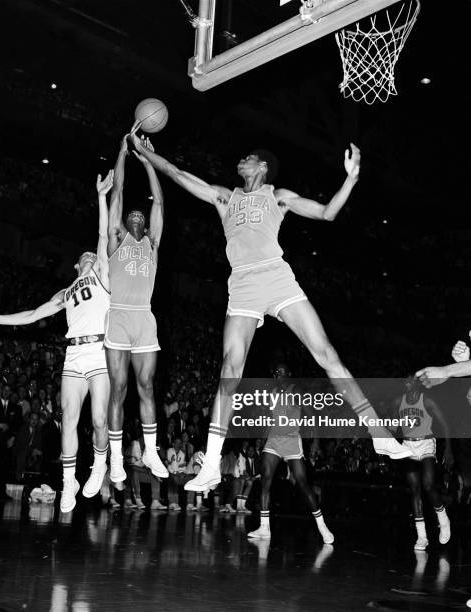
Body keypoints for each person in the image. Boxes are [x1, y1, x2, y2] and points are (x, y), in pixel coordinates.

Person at [130, 129, 411, 492]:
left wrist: (351, 178)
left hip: (277, 278)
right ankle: (212, 465)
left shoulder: (277, 197)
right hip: (243, 285)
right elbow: (176, 174)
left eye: (246, 157)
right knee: (230, 369)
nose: (240, 160)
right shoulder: (224, 197)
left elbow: (327, 213)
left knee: (327, 354)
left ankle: (379, 434)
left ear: (261, 166)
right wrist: (145, 152)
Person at [0, 171, 114, 512]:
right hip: (74, 353)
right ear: (77, 265)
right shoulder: (66, 292)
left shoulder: (103, 276)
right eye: (85, 258)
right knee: (68, 417)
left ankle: (99, 466)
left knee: (98, 421)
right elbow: (33, 314)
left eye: (93, 256)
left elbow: (103, 234)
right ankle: (68, 483)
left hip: (99, 351)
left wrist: (101, 197)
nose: (90, 258)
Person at [104, 130, 168, 484]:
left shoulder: (153, 244)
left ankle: (150, 450)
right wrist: (122, 153)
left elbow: (159, 203)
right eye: (133, 215)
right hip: (118, 314)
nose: (138, 216)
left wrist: (149, 162)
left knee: (146, 387)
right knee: (120, 389)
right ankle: (115, 460)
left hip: (144, 317)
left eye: (141, 216)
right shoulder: (117, 239)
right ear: (127, 222)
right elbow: (118, 192)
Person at [248, 365, 334, 543]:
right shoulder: (272, 393)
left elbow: (312, 415)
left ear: (289, 374)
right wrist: (262, 440)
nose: (277, 373)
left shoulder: (295, 391)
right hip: (273, 440)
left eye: (281, 371)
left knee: (302, 483)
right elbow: (270, 419)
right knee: (266, 479)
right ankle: (264, 527)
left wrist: (316, 441)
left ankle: (322, 526)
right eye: (275, 371)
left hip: (292, 441)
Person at [393, 377, 452, 550]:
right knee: (414, 489)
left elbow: (445, 425)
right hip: (408, 445)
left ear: (417, 383)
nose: (406, 383)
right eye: (405, 381)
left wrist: (448, 449)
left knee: (428, 485)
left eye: (410, 380)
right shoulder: (398, 401)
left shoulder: (427, 401)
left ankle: (443, 519)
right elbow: (393, 425)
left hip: (426, 442)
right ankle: (422, 537)